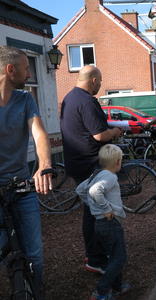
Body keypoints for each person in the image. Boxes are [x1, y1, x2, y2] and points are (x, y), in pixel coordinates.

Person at [0, 46, 53, 294]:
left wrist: (44, 165)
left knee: (34, 254)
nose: (29, 73)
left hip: (21, 185)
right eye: (26, 67)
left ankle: (37, 291)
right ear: (11, 70)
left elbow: (39, 132)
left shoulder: (25, 99)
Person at [60, 65, 122, 274]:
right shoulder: (87, 101)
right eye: (100, 81)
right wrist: (114, 131)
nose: (101, 85)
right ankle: (96, 259)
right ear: (93, 80)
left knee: (89, 210)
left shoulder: (70, 98)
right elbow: (99, 135)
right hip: (89, 163)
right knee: (95, 212)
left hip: (75, 162)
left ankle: (93, 254)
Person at [76, 144, 130, 300]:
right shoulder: (110, 177)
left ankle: (117, 286)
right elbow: (94, 191)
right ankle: (102, 291)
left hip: (99, 224)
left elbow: (80, 189)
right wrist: (105, 208)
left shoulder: (97, 173)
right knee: (119, 258)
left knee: (113, 256)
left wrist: (93, 205)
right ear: (117, 162)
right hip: (110, 223)